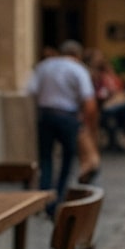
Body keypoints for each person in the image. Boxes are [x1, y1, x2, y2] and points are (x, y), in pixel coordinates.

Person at [25, 39, 96, 215]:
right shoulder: (78, 69)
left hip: (46, 115)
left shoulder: (44, 66)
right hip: (67, 116)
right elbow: (89, 102)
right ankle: (59, 197)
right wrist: (85, 123)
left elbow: (30, 91)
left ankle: (43, 198)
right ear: (77, 55)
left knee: (46, 159)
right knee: (67, 159)